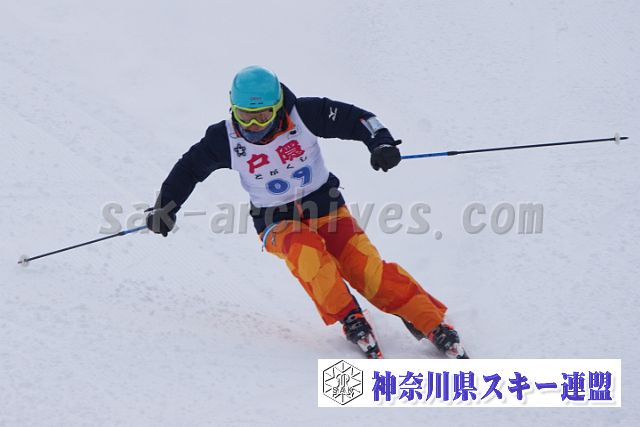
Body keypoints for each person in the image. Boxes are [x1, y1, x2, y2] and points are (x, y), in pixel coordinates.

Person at [146, 65, 468, 359]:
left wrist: (381, 143)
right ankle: (349, 317)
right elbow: (188, 169)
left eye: (262, 116)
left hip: (326, 207)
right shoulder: (224, 139)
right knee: (307, 252)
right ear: (233, 108)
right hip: (275, 220)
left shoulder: (304, 114)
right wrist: (165, 207)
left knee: (366, 269)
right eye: (245, 116)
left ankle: (430, 321)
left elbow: (360, 119)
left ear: (278, 107)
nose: (253, 126)